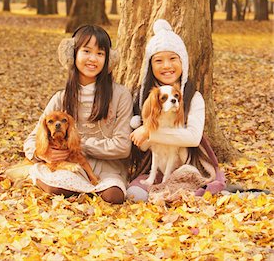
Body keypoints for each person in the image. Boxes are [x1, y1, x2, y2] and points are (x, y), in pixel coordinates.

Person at [24, 25, 133, 204]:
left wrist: (78, 145)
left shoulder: (121, 95)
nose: (93, 59)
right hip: (69, 167)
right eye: (87, 51)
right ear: (72, 54)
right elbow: (30, 141)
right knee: (57, 187)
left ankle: (87, 191)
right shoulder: (61, 98)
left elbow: (122, 146)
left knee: (113, 196)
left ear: (108, 59)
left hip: (108, 169)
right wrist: (44, 154)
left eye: (100, 53)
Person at [127, 19, 226, 202]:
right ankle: (165, 190)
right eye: (158, 60)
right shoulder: (143, 98)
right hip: (153, 167)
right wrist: (145, 133)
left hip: (186, 163)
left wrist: (149, 131)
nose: (166, 66)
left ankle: (174, 190)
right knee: (134, 195)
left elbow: (193, 138)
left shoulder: (193, 97)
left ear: (183, 62)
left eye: (173, 58)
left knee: (187, 187)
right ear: (150, 66)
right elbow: (141, 145)